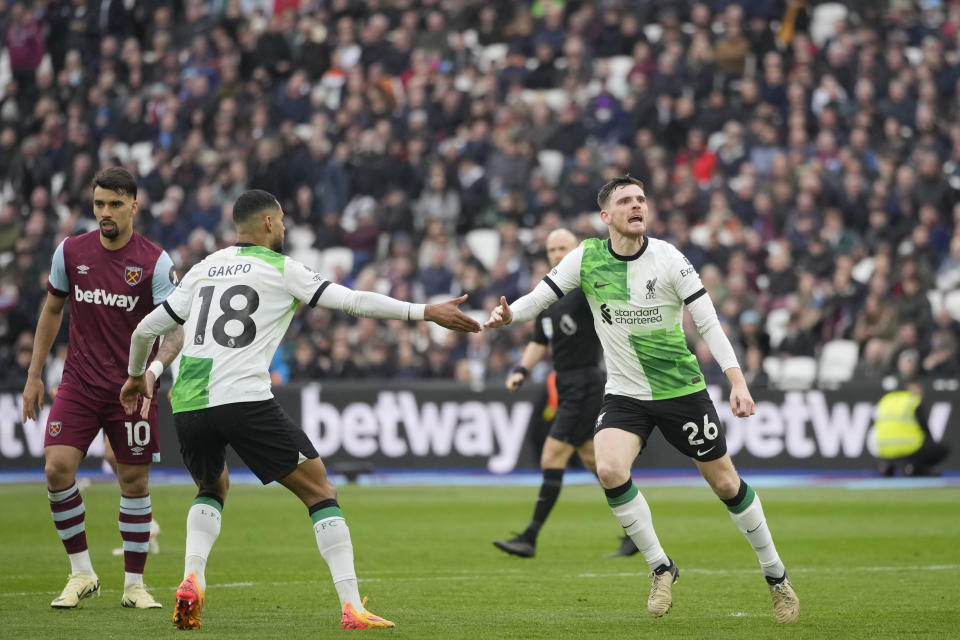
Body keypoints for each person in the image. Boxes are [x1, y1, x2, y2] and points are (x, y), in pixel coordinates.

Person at [120, 189, 481, 631]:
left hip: (189, 402)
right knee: (321, 492)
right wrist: (424, 311)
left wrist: (139, 374)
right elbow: (352, 301)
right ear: (270, 224)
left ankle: (192, 577)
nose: (286, 228)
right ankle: (352, 606)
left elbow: (145, 328)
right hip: (243, 397)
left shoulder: (204, 267)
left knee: (212, 489)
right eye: (284, 221)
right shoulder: (281, 268)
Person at [485, 176, 799, 624]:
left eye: (641, 200)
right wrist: (508, 314)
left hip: (681, 391)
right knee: (610, 468)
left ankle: (776, 576)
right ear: (606, 216)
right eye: (625, 201)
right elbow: (539, 299)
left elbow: (708, 323)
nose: (637, 206)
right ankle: (660, 566)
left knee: (727, 484)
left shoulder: (670, 259)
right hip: (626, 393)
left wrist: (737, 381)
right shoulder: (587, 258)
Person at [21, 167, 184, 609]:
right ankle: (82, 573)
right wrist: (35, 375)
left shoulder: (156, 262)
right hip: (78, 382)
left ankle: (134, 585)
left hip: (130, 388)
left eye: (114, 204)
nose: (105, 212)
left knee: (133, 480)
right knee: (56, 469)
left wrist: (153, 372)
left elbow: (174, 331)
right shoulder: (71, 251)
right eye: (98, 204)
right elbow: (52, 311)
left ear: (134, 205)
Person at [493, 228, 638, 558]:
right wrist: (520, 370)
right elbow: (541, 341)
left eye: (564, 249)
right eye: (552, 249)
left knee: (552, 456)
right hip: (568, 383)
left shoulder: (587, 289)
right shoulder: (547, 297)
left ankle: (530, 537)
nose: (557, 255)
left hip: (586, 382)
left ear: (577, 252)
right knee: (597, 462)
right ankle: (636, 531)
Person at [873, 380, 950, 477]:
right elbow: (924, 428)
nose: (922, 393)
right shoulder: (912, 401)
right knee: (941, 449)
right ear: (912, 388)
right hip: (909, 448)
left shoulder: (886, 399)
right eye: (920, 389)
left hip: (884, 450)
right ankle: (913, 468)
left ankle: (887, 465)